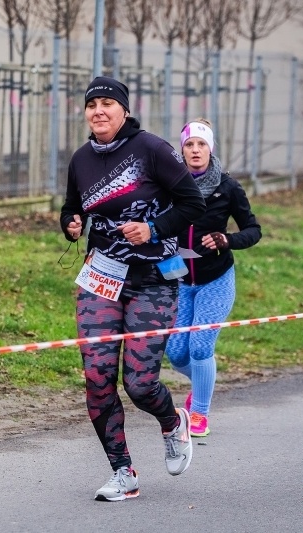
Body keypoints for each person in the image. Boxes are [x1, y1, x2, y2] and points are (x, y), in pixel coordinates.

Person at [60, 76, 206, 502]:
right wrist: (69, 224)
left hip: (155, 278)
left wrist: (153, 228)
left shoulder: (152, 150)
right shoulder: (81, 159)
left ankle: (171, 422)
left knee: (140, 384)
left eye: (108, 103)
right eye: (92, 105)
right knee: (97, 377)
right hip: (101, 278)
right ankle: (123, 471)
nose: (98, 111)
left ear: (124, 110)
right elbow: (73, 206)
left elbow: (192, 204)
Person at [165, 118, 262, 437]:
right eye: (189, 145)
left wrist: (226, 239)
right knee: (176, 351)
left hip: (215, 279)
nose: (195, 150)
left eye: (201, 144)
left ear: (211, 149)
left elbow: (253, 230)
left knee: (201, 346)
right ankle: (202, 386)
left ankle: (199, 412)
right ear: (182, 150)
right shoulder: (170, 184)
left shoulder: (228, 186)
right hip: (179, 277)